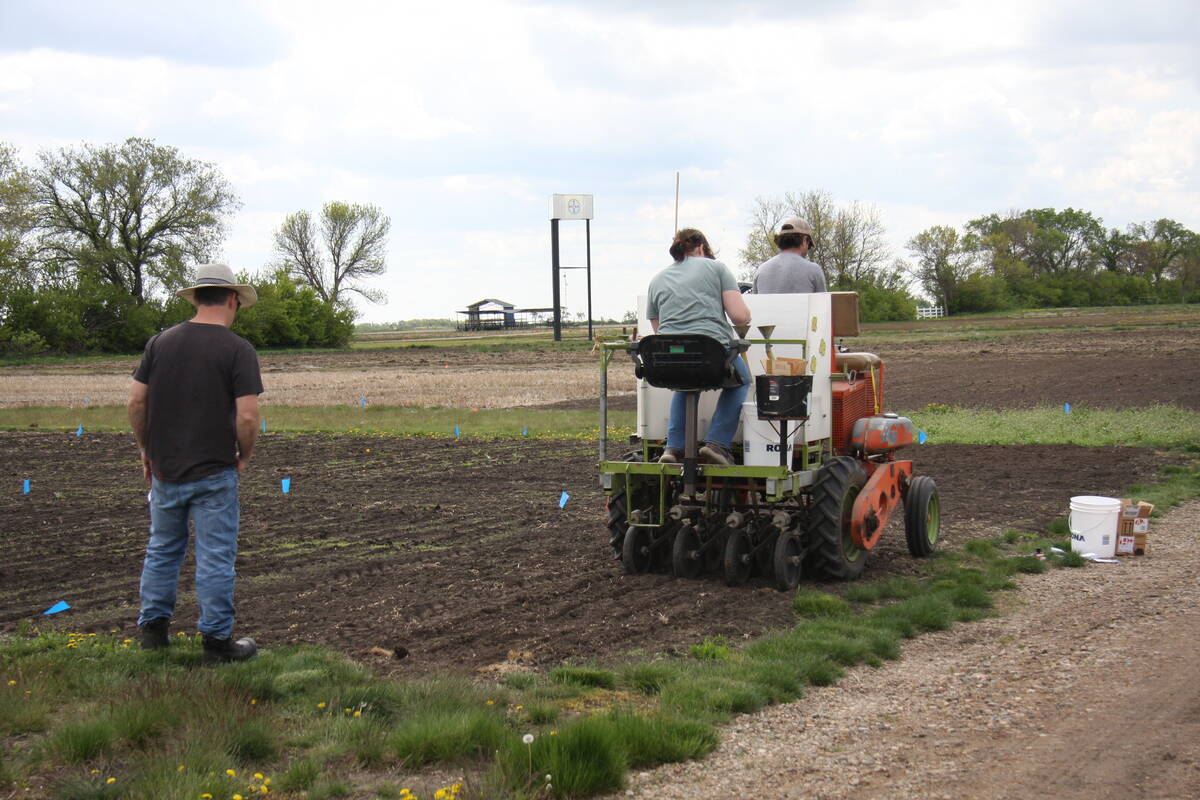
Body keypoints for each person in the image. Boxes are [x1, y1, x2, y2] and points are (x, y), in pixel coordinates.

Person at [127, 263, 263, 664]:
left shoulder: (160, 343)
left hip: (165, 469)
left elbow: (136, 401)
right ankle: (216, 642)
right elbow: (248, 416)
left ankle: (153, 634)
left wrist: (145, 450)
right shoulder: (238, 350)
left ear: (197, 297)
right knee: (215, 555)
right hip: (215, 470)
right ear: (233, 299)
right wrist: (245, 455)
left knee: (162, 550)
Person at [646, 228, 752, 466]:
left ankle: (673, 448)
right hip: (711, 350)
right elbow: (738, 316)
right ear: (702, 248)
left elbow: (658, 327)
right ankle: (717, 444)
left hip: (669, 354)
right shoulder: (717, 269)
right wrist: (747, 315)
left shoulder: (657, 278)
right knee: (742, 381)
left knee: (683, 384)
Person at [752, 217, 828, 294]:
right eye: (809, 245)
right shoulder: (814, 270)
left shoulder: (761, 270)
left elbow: (753, 304)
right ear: (805, 240)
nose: (808, 249)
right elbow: (823, 304)